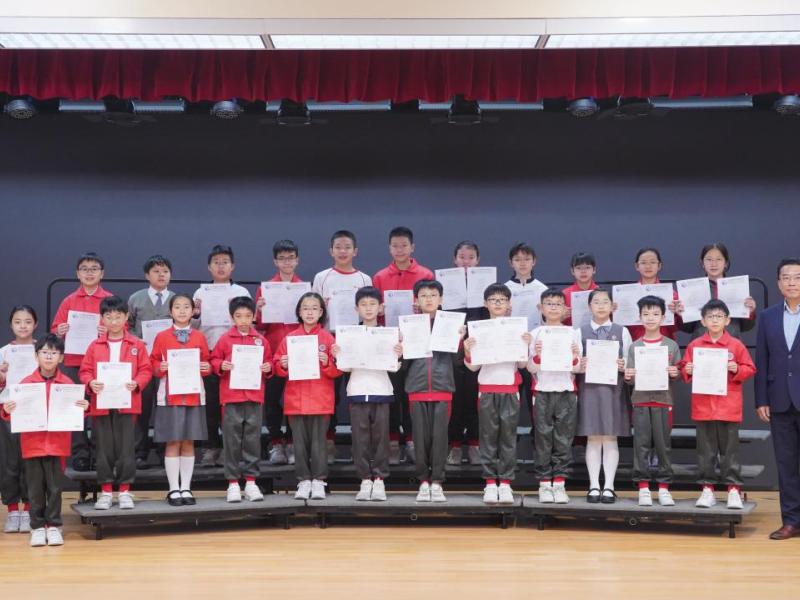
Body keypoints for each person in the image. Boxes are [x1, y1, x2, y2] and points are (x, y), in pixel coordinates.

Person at [1, 334, 89, 547]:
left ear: (61, 357)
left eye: (54, 353)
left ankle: (54, 525)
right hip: (32, 444)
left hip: (57, 445)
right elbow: (12, 415)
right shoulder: (26, 384)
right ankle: (37, 527)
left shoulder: (67, 383)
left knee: (55, 488)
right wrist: (7, 409)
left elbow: (75, 414)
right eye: (44, 352)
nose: (49, 357)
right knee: (35, 489)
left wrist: (84, 408)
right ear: (36, 356)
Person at [680, 299, 756, 510]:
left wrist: (737, 369)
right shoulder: (695, 345)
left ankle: (733, 489)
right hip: (703, 406)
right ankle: (707, 489)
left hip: (728, 405)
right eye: (710, 317)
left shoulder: (736, 345)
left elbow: (750, 368)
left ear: (728, 320)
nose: (715, 320)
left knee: (730, 451)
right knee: (705, 451)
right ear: (703, 321)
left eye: (719, 316)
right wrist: (688, 369)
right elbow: (684, 367)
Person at [79, 296, 153, 510]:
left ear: (126, 317)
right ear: (102, 319)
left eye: (118, 316)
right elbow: (85, 371)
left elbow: (146, 369)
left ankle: (125, 490)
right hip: (101, 403)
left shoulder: (136, 344)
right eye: (108, 317)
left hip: (127, 402)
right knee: (103, 448)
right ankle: (105, 491)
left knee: (126, 448)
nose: (113, 321)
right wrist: (90, 382)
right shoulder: (94, 346)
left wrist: (137, 383)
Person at [331, 286, 402, 501]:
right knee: (360, 438)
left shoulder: (389, 334)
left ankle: (379, 479)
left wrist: (398, 355)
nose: (368, 308)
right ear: (356, 308)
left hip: (381, 390)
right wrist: (338, 355)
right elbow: (345, 368)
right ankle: (364, 479)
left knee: (381, 437)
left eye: (372, 304)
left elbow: (394, 369)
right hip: (357, 390)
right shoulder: (349, 335)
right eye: (363, 304)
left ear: (381, 307)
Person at [464, 283, 531, 505]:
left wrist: (525, 345)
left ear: (509, 303)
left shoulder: (517, 328)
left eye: (502, 299)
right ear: (486, 304)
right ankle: (491, 483)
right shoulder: (479, 330)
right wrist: (468, 349)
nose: (498, 303)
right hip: (486, 390)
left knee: (508, 438)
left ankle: (506, 483)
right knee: (488, 438)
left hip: (510, 390)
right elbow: (473, 367)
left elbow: (522, 365)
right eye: (493, 300)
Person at [372, 226, 434, 465]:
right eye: (395, 246)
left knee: (412, 394)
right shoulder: (380, 276)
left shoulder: (426, 274)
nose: (400, 250)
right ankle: (391, 443)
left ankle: (410, 440)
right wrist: (379, 311)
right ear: (389, 248)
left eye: (404, 245)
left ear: (412, 247)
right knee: (391, 393)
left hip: (417, 342)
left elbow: (435, 307)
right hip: (388, 343)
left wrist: (424, 310)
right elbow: (371, 308)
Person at [273, 293, 342, 500]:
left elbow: (338, 370)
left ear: (321, 312)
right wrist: (283, 365)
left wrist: (327, 362)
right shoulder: (290, 338)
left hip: (320, 399)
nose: (310, 312)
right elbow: (277, 366)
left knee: (320, 442)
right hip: (296, 399)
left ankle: (319, 480)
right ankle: (303, 480)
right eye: (305, 308)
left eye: (314, 308)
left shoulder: (328, 338)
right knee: (299, 443)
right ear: (299, 312)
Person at [312, 230, 372, 464]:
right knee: (329, 394)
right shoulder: (322, 277)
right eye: (338, 247)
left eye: (347, 247)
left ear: (355, 251)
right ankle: (328, 442)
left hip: (357, 341)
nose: (343, 251)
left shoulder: (365, 279)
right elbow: (312, 309)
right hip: (330, 340)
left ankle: (361, 445)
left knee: (357, 393)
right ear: (331, 251)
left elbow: (370, 311)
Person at [51, 251, 113, 471]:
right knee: (74, 407)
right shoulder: (69, 300)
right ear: (77, 273)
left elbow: (121, 327)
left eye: (94, 269)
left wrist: (108, 330)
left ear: (102, 273)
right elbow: (54, 329)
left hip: (101, 362)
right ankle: (80, 453)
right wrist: (59, 330)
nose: (89, 273)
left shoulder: (109, 300)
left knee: (99, 408)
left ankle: (98, 452)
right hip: (74, 361)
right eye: (84, 269)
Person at [403, 279, 464, 503]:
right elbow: (402, 364)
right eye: (423, 295)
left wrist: (460, 340)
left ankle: (437, 481)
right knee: (420, 439)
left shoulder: (451, 324)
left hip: (442, 387)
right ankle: (423, 481)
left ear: (441, 299)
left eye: (433, 295)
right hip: (416, 388)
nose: (428, 299)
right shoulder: (409, 325)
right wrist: (399, 348)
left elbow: (458, 362)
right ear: (416, 300)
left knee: (440, 438)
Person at [150, 294, 212, 507]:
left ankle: (186, 487)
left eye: (187, 307)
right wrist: (160, 368)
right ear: (170, 311)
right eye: (177, 307)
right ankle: (173, 489)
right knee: (173, 440)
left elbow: (207, 362)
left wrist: (206, 367)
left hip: (193, 395)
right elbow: (153, 362)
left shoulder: (199, 336)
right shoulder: (162, 336)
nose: (182, 310)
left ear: (193, 311)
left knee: (188, 441)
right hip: (170, 396)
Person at [193, 245, 251, 468]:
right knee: (210, 405)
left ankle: (232, 448)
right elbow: (192, 327)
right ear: (209, 267)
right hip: (208, 354)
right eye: (216, 262)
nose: (220, 266)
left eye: (225, 262)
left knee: (234, 407)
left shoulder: (241, 292)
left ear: (232, 266)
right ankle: (211, 447)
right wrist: (196, 314)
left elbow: (250, 324)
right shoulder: (200, 293)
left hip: (236, 356)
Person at [211, 296, 273, 503]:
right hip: (231, 397)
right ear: (232, 318)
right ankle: (232, 483)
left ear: (254, 316)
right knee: (231, 440)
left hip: (254, 397)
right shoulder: (225, 339)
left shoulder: (261, 340)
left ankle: (251, 482)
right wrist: (221, 365)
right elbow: (214, 360)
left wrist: (268, 368)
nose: (244, 320)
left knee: (252, 440)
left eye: (248, 316)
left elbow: (269, 363)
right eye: (239, 316)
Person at [755, 258, 800, 539]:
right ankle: (791, 521)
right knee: (786, 464)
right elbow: (762, 359)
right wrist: (761, 399)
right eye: (786, 277)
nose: (792, 282)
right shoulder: (768, 316)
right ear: (778, 283)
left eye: (797, 277)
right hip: (779, 399)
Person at [624, 295, 681, 507]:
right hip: (640, 401)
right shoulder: (635, 346)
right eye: (646, 314)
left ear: (663, 317)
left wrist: (675, 372)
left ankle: (664, 487)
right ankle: (643, 487)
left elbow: (678, 373)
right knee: (641, 444)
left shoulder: (671, 345)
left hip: (663, 401)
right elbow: (629, 377)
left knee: (663, 445)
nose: (650, 318)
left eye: (655, 314)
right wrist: (628, 376)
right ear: (639, 317)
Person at [576, 288, 632, 504]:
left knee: (610, 437)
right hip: (589, 389)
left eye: (605, 302)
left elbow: (630, 363)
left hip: (613, 390)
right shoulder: (579, 332)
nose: (601, 306)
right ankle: (593, 485)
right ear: (589, 306)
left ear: (612, 306)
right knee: (592, 437)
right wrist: (580, 365)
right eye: (596, 302)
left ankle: (609, 486)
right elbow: (573, 364)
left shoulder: (622, 331)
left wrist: (624, 365)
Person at [527, 290, 582, 504]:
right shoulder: (535, 333)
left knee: (563, 438)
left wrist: (575, 357)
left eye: (558, 304)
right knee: (543, 438)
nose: (553, 307)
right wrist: (538, 355)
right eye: (549, 303)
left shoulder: (572, 333)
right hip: (542, 390)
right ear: (541, 307)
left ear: (565, 309)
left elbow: (577, 368)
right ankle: (544, 483)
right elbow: (530, 367)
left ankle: (559, 483)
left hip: (566, 390)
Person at [254, 240, 303, 466]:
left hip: (298, 351)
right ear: (275, 261)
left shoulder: (304, 288)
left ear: (297, 260)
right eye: (282, 258)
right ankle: (275, 442)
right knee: (271, 399)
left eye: (290, 258)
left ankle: (292, 442)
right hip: (273, 351)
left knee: (294, 399)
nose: (287, 262)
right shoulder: (266, 289)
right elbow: (260, 326)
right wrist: (259, 311)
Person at [127, 254, 175, 469]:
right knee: (142, 408)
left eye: (165, 271)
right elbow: (126, 326)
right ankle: (140, 451)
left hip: (168, 363)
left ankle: (165, 451)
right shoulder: (135, 299)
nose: (161, 275)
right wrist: (136, 340)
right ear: (147, 275)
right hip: (142, 363)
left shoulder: (176, 299)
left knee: (165, 408)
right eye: (156, 271)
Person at [447, 240, 486, 466]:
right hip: (453, 349)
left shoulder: (485, 285)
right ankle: (454, 446)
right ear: (455, 259)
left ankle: (474, 444)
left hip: (478, 349)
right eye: (462, 257)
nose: (466, 262)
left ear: (477, 260)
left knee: (473, 399)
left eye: (471, 257)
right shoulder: (445, 285)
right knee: (455, 399)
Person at [0, 305, 37, 533]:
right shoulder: (3, 352)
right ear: (11, 324)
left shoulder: (42, 350)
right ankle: (13, 510)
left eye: (28, 321)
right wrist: (1, 377)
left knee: (32, 464)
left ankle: (30, 508)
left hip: (35, 412)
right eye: (17, 322)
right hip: (9, 412)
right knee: (10, 463)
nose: (23, 326)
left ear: (35, 324)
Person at [504, 242, 547, 438]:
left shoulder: (542, 289)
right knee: (510, 394)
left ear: (534, 261)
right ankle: (508, 437)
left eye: (527, 259)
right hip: (511, 349)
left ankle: (538, 437)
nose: (522, 263)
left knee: (534, 394)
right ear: (510, 263)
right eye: (518, 259)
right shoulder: (503, 290)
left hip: (534, 349)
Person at [678, 243, 756, 340]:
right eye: (709, 259)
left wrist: (750, 311)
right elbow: (687, 328)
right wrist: (681, 315)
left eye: (718, 259)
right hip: (701, 343)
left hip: (731, 343)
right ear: (702, 263)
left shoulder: (738, 288)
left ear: (726, 263)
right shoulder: (692, 289)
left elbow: (746, 327)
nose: (713, 264)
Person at [627, 247, 680, 341]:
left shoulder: (672, 295)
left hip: (663, 344)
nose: (648, 266)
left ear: (659, 266)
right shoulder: (627, 294)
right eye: (643, 263)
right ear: (637, 266)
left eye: (652, 262)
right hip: (635, 343)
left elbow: (677, 328)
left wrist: (678, 314)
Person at [563, 252, 599, 327]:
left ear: (594, 270)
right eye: (578, 268)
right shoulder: (564, 294)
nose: (583, 271)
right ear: (572, 271)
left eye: (587, 267)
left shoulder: (602, 293)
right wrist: (560, 317)